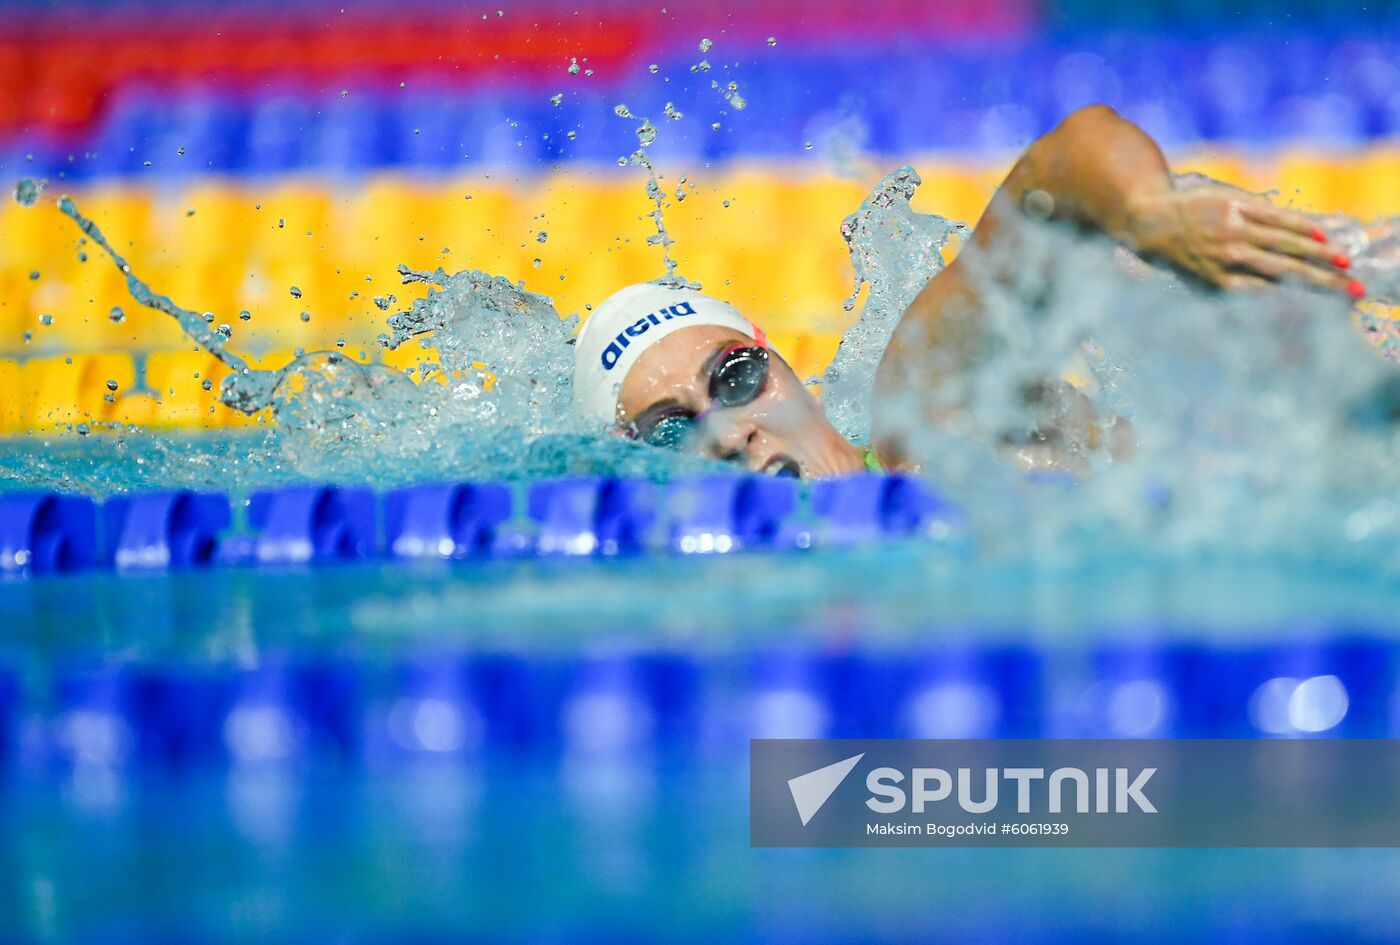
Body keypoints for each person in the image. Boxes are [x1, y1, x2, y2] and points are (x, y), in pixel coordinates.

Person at [572, 105, 1362, 478]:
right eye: (670, 430)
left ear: (778, 361)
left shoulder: (926, 425)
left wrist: (1148, 210)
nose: (727, 431)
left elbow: (1058, 169)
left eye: (736, 376)